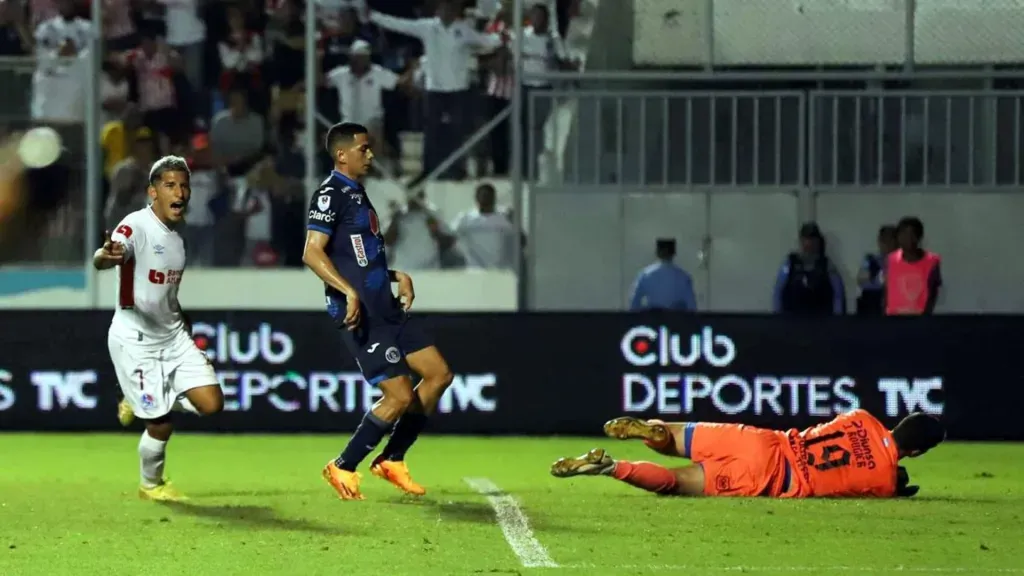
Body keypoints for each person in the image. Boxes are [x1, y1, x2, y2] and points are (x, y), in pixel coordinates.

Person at [303, 122, 454, 501]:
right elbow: (312, 251)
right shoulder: (330, 194)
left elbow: (357, 257)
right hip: (362, 314)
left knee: (438, 375)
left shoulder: (357, 194)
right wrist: (347, 293)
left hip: (385, 308)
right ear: (342, 154)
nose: (370, 155)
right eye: (363, 149)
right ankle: (343, 465)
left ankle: (393, 459)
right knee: (399, 395)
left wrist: (395, 275)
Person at [95, 155, 225, 502]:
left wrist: (183, 320)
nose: (179, 192)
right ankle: (150, 485)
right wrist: (105, 256)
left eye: (184, 185)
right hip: (135, 341)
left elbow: (166, 294)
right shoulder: (135, 225)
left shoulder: (177, 243)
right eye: (170, 185)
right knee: (161, 423)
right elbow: (110, 253)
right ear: (153, 192)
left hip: (173, 338)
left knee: (212, 403)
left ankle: (136, 401)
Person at [551, 409, 945, 499]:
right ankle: (611, 467)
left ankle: (648, 432)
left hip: (763, 441)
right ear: (918, 451)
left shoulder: (860, 416)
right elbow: (887, 478)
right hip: (771, 478)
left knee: (670, 435)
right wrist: (898, 482)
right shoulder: (883, 480)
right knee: (677, 482)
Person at [773, 222, 845, 315]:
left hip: (821, 321)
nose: (809, 243)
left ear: (818, 241)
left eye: (812, 239)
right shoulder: (790, 263)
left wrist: (837, 319)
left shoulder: (827, 264)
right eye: (806, 239)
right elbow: (778, 290)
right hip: (793, 320)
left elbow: (837, 294)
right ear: (801, 241)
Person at [885, 216, 941, 315]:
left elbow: (933, 293)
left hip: (920, 319)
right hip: (893, 319)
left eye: (912, 234)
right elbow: (886, 290)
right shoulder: (890, 260)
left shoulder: (932, 261)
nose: (908, 238)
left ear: (919, 237)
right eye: (904, 234)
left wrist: (926, 315)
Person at [628, 238, 697, 311]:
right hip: (676, 319)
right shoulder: (684, 277)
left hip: (652, 319)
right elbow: (691, 306)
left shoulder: (645, 275)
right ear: (674, 253)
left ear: (657, 252)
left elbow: (634, 303)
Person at [856, 224, 897, 315]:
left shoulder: (903, 262)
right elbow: (862, 282)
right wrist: (881, 282)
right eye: (884, 240)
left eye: (891, 240)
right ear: (879, 242)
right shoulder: (869, 260)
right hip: (872, 309)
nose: (888, 244)